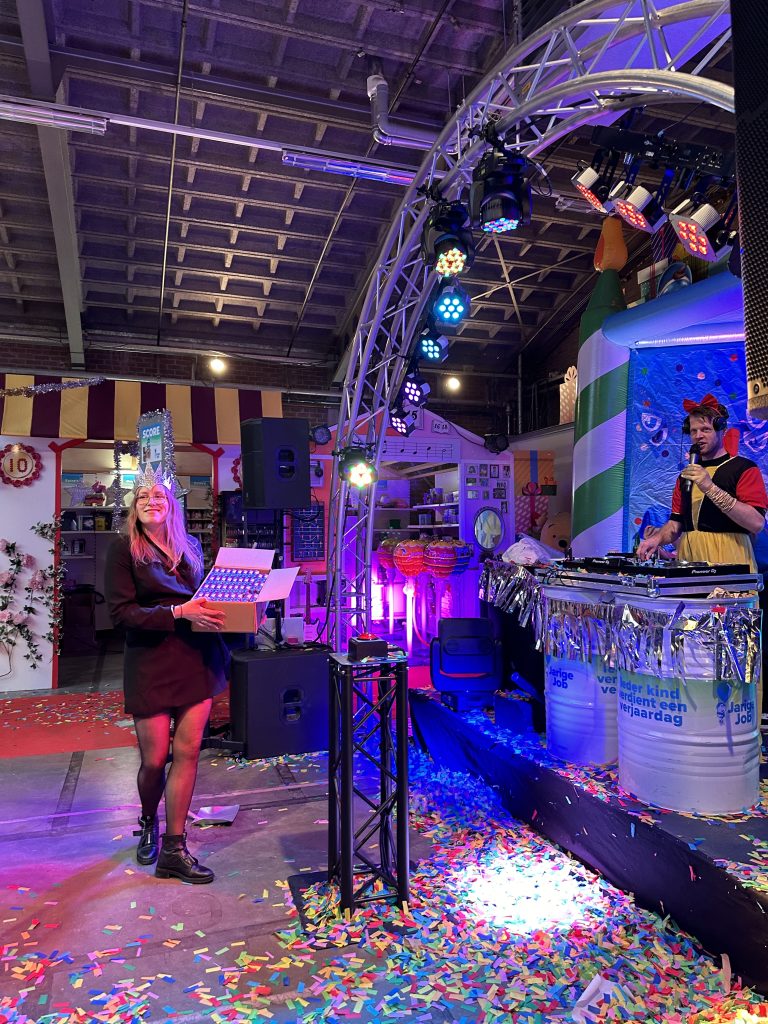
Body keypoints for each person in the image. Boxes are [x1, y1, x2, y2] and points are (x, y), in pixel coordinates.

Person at [106, 467, 228, 884]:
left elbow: (203, 598)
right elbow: (122, 614)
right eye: (143, 497)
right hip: (151, 661)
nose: (151, 501)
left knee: (188, 753)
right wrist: (178, 612)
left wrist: (239, 606)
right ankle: (148, 820)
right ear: (134, 507)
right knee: (155, 759)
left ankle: (174, 849)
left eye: (159, 495)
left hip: (196, 658)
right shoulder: (123, 549)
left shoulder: (189, 545)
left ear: (172, 504)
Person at [636, 395, 767, 570]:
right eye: (693, 431)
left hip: (730, 560)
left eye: (705, 429)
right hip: (689, 562)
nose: (698, 436)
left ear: (721, 429)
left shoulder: (744, 468)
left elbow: (757, 523)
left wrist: (710, 488)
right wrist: (657, 538)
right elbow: (675, 524)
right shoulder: (686, 476)